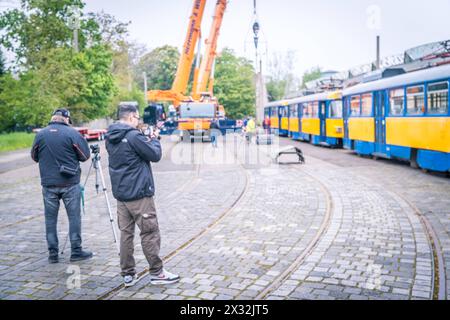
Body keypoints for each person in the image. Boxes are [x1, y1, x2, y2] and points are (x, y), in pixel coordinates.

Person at [105, 103, 180, 287]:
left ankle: (128, 274)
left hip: (121, 194)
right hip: (139, 194)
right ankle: (157, 272)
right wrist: (153, 138)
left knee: (126, 234)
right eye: (137, 118)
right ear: (131, 117)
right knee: (150, 232)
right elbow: (154, 155)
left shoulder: (110, 136)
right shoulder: (133, 136)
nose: (138, 121)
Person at [31, 108, 93, 264]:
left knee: (50, 220)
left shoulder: (40, 134)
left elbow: (34, 156)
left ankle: (53, 254)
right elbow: (85, 156)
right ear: (66, 119)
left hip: (48, 184)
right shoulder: (72, 134)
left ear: (53, 118)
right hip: (70, 183)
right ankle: (76, 252)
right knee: (74, 218)